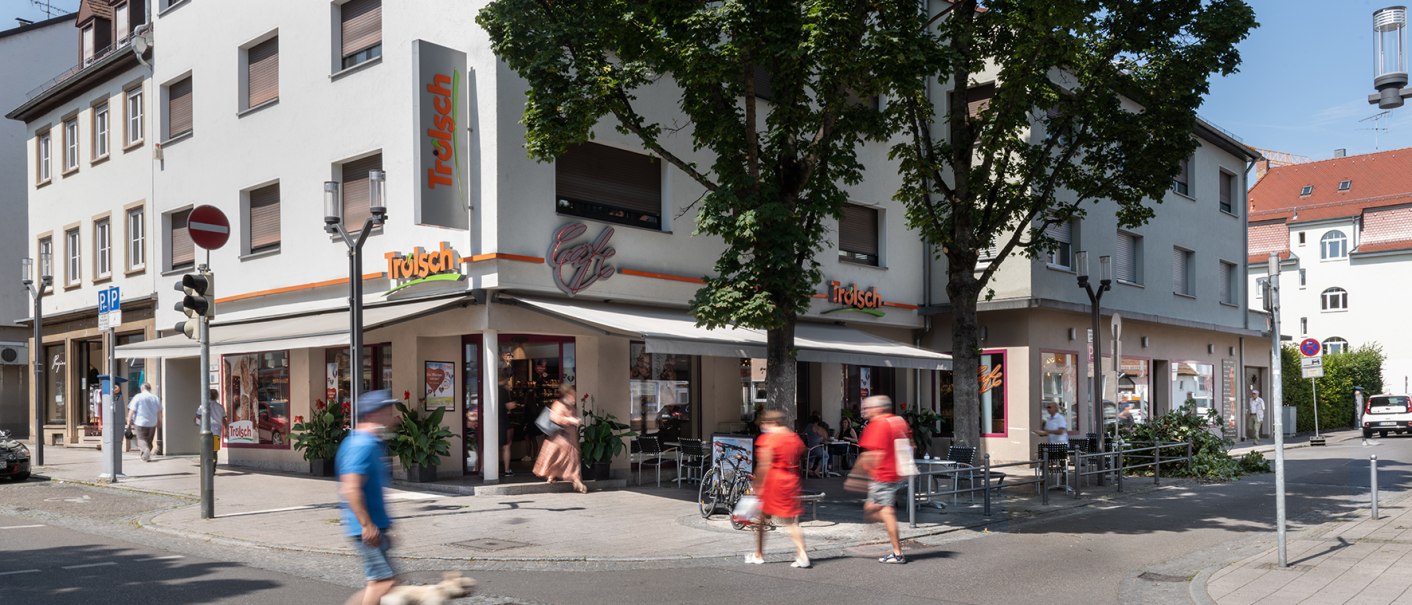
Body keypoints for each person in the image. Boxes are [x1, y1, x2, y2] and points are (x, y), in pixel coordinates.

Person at [338, 389, 402, 605]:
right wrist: (367, 525)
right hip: (365, 529)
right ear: (373, 414)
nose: (393, 417)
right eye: (388, 411)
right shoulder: (361, 445)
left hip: (374, 527)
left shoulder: (372, 443)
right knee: (383, 583)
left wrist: (383, 526)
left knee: (382, 583)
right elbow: (351, 488)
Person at [746, 410, 810, 568]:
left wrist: (757, 484)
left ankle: (759, 554)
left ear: (771, 423)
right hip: (791, 480)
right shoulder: (793, 437)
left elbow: (764, 464)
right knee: (790, 521)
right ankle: (802, 554)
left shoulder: (769, 439)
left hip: (774, 482)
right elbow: (803, 450)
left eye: (764, 423)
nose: (763, 426)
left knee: (761, 520)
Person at [856, 395, 911, 564]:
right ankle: (887, 540)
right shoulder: (898, 421)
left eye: (867, 408)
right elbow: (911, 444)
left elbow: (872, 454)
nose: (864, 410)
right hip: (897, 472)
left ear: (878, 408)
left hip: (882, 474)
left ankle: (897, 552)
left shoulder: (877, 424)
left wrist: (856, 477)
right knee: (872, 508)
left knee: (884, 512)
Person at [532, 384, 588, 493]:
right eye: (572, 394)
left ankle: (575, 480)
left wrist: (575, 421)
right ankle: (561, 477)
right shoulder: (559, 404)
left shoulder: (571, 406)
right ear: (568, 394)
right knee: (557, 458)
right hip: (560, 438)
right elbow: (555, 417)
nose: (574, 396)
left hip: (569, 438)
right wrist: (571, 420)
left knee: (571, 460)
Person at [126, 383, 162, 462]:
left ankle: (145, 451)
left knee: (141, 439)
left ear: (142, 389)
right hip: (152, 422)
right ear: (150, 389)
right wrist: (160, 421)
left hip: (140, 422)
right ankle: (145, 457)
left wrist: (128, 420)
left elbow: (132, 410)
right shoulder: (155, 398)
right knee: (149, 440)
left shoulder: (138, 397)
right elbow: (159, 412)